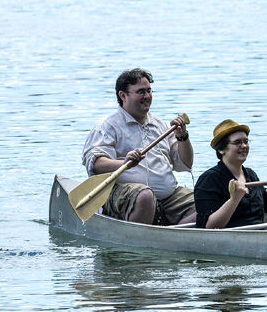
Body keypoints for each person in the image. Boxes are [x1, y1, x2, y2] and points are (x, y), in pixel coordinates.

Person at [82, 68, 196, 225]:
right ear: (123, 96)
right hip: (121, 195)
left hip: (168, 197)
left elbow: (185, 163)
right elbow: (95, 164)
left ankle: (171, 235)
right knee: (145, 196)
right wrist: (124, 163)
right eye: (141, 92)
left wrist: (182, 136)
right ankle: (138, 238)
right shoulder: (107, 126)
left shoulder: (160, 125)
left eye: (149, 91)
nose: (147, 96)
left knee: (206, 201)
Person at [194, 119, 267, 229]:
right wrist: (234, 200)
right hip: (230, 240)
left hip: (259, 236)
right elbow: (209, 227)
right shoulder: (209, 179)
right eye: (237, 142)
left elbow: (265, 205)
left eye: (246, 141)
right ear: (221, 149)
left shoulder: (250, 174)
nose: (244, 146)